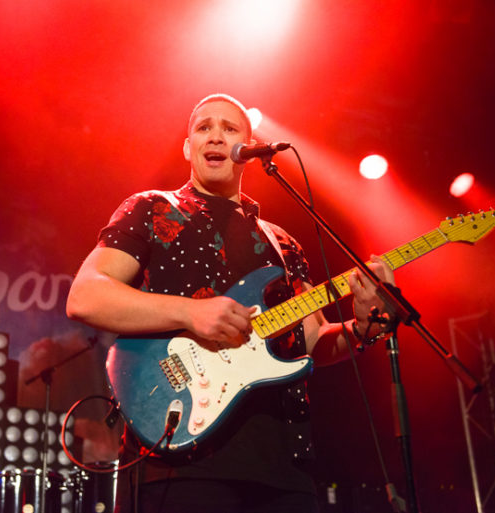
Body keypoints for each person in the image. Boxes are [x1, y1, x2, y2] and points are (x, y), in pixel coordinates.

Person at [66, 93, 395, 513]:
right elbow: (86, 295)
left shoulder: (283, 243)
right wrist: (190, 312)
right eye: (203, 127)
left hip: (284, 468)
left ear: (249, 149)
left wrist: (364, 328)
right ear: (188, 148)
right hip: (180, 460)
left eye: (229, 128)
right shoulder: (152, 209)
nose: (216, 136)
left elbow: (312, 342)